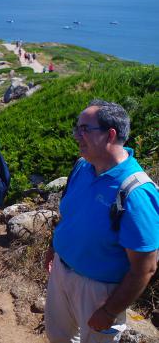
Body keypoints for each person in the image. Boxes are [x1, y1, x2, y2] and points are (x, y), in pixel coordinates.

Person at [44, 100, 159, 343]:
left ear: (111, 134)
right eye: (77, 128)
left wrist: (109, 311)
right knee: (58, 336)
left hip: (99, 291)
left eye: (84, 129)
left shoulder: (135, 191)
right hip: (62, 270)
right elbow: (70, 216)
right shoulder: (82, 167)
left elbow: (145, 267)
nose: (77, 136)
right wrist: (53, 248)